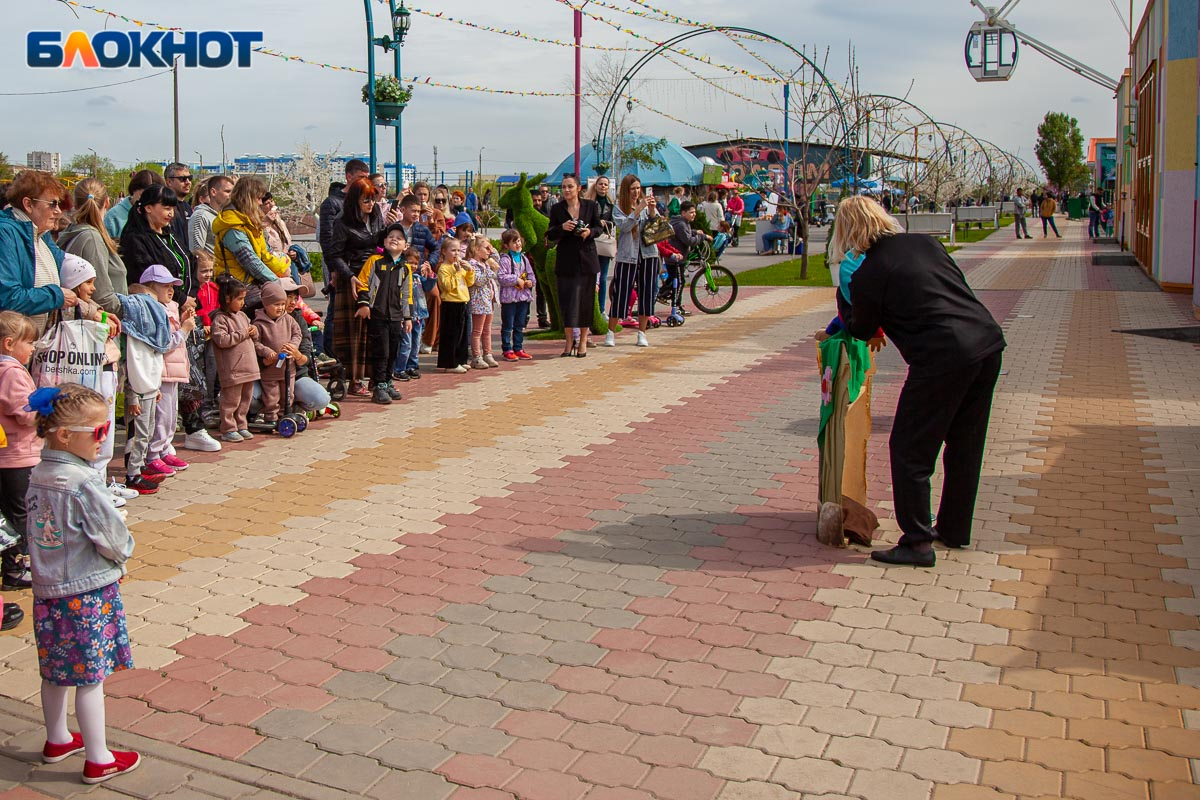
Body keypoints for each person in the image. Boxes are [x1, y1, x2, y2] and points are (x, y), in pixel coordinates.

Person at [832, 196, 1005, 568]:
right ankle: (954, 529)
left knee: (909, 449)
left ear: (848, 230)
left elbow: (860, 328)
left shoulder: (868, 272)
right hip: (987, 343)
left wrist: (842, 300)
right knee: (964, 443)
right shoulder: (927, 242)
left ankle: (917, 543)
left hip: (942, 356)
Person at [24, 384, 141, 785]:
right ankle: (98, 757)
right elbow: (112, 538)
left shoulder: (40, 472)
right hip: (85, 593)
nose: (103, 437)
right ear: (63, 435)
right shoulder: (82, 481)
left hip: (47, 592)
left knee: (55, 671)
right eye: (98, 430)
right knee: (91, 678)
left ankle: (57, 738)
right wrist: (122, 555)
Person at [327, 178, 385, 395]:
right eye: (366, 200)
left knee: (375, 328)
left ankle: (375, 377)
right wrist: (349, 275)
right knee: (355, 331)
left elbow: (382, 241)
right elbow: (334, 254)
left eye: (373, 198)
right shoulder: (343, 222)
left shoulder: (377, 214)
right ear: (355, 200)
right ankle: (354, 379)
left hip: (374, 274)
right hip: (352, 276)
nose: (370, 204)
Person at [0, 170, 76, 333]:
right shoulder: (5, 233)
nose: (58, 211)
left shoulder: (39, 234)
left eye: (59, 205)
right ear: (28, 204)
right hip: (11, 347)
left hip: (30, 346)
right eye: (53, 204)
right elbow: (8, 298)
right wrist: (57, 297)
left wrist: (91, 309)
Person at [0, 312, 39, 623]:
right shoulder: (11, 371)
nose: (33, 348)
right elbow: (24, 411)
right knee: (20, 513)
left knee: (11, 513)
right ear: (9, 344)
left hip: (9, 454)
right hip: (17, 455)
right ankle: (16, 566)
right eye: (29, 342)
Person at [140, 266, 195, 479]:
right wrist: (185, 329)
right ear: (151, 287)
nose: (170, 290)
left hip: (174, 369)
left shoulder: (170, 307)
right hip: (161, 371)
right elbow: (164, 344)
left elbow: (179, 343)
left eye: (172, 286)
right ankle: (153, 455)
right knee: (161, 416)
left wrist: (183, 323)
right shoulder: (154, 310)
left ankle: (164, 449)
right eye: (165, 285)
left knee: (171, 415)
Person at [356, 224, 413, 404]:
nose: (394, 239)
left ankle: (388, 381)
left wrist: (408, 317)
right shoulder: (375, 261)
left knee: (393, 351)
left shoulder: (406, 268)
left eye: (399, 237)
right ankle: (378, 385)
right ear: (384, 241)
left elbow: (407, 294)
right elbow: (362, 282)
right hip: (377, 314)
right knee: (381, 350)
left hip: (396, 317)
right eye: (391, 236)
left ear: (406, 246)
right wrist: (364, 304)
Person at [547, 174, 601, 357]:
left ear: (578, 188)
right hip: (566, 261)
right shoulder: (556, 208)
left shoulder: (591, 206)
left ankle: (584, 340)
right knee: (567, 301)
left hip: (587, 259)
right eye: (563, 187)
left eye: (570, 186)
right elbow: (550, 233)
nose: (566, 190)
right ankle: (569, 341)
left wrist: (589, 232)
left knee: (585, 302)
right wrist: (562, 227)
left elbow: (599, 228)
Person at [605, 175, 660, 348]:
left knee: (647, 293)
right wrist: (637, 210)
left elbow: (657, 226)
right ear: (626, 191)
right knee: (621, 293)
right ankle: (611, 332)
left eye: (638, 188)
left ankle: (642, 333)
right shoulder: (618, 208)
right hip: (627, 256)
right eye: (632, 189)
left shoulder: (645, 205)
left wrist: (651, 210)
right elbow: (625, 227)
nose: (636, 192)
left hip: (648, 254)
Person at [59, 180, 128, 318]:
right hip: (102, 323)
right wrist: (133, 309)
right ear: (107, 202)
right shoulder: (92, 239)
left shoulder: (75, 232)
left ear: (75, 204)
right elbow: (101, 295)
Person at [118, 185, 192, 302]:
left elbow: (191, 262)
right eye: (167, 208)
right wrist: (182, 300)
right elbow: (149, 278)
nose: (171, 214)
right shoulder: (136, 239)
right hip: (158, 305)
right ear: (148, 208)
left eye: (173, 209)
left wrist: (192, 295)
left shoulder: (170, 235)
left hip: (185, 304)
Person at [210, 278, 259, 442]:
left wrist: (254, 331)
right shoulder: (220, 319)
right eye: (239, 299)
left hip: (249, 367)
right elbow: (222, 340)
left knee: (245, 399)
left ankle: (241, 424)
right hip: (233, 369)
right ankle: (228, 428)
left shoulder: (243, 316)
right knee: (231, 400)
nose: (243, 303)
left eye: (243, 298)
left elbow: (252, 336)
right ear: (227, 299)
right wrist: (244, 333)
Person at [251, 282, 302, 422]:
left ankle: (285, 415)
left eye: (282, 304)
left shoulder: (289, 319)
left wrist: (292, 346)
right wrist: (267, 352)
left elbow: (297, 334)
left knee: (288, 394)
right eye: (276, 305)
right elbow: (255, 343)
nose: (280, 308)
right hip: (270, 370)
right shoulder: (259, 323)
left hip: (288, 367)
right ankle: (271, 416)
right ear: (266, 304)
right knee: (271, 395)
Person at [393, 246, 436, 382]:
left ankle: (412, 365)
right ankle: (400, 368)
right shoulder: (400, 276)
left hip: (418, 316)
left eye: (415, 263)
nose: (413, 266)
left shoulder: (417, 277)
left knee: (416, 343)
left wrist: (430, 275)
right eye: (410, 262)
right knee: (406, 343)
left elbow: (428, 287)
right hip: (406, 316)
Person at [435, 238, 474, 373]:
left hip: (462, 302)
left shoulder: (458, 266)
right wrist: (457, 273)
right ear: (444, 251)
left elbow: (468, 283)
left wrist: (469, 271)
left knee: (462, 335)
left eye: (458, 250)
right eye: (453, 250)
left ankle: (461, 359)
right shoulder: (444, 268)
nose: (456, 253)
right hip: (450, 303)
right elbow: (447, 287)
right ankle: (450, 363)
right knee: (451, 335)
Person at [496, 229, 535, 361]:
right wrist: (515, 279)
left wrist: (530, 282)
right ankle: (507, 349)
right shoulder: (505, 259)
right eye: (514, 242)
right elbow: (501, 277)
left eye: (518, 241)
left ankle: (518, 348)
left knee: (520, 325)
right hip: (509, 299)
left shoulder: (524, 258)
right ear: (506, 245)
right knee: (508, 325)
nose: (518, 244)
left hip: (523, 297)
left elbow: (531, 274)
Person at [465, 234, 501, 369]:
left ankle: (488, 354)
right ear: (476, 249)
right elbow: (478, 281)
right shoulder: (472, 264)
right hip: (478, 302)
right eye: (486, 248)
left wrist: (492, 250)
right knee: (477, 331)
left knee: (487, 330)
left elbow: (497, 258)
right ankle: (476, 356)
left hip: (488, 301)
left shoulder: (486, 263)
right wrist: (491, 271)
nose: (489, 251)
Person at [582, 176, 614, 317]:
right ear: (596, 186)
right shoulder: (589, 203)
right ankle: (589, 308)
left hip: (604, 243)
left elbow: (613, 222)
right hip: (591, 242)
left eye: (605, 185)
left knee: (602, 277)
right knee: (591, 278)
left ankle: (601, 309)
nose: (603, 187)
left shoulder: (610, 204)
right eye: (600, 184)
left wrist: (606, 223)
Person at [103, 169, 163, 241]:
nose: (147, 202)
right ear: (134, 190)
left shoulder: (160, 214)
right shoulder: (114, 217)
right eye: (143, 196)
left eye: (154, 199)